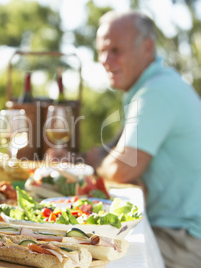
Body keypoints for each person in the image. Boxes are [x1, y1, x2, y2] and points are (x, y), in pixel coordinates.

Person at [84, 10, 201, 268]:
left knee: (83, 254)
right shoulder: (153, 88)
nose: (105, 59)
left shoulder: (155, 92)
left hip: (182, 239)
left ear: (147, 48)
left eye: (116, 50)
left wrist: (95, 165)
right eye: (101, 51)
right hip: (171, 229)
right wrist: (88, 160)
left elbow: (122, 168)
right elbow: (110, 153)